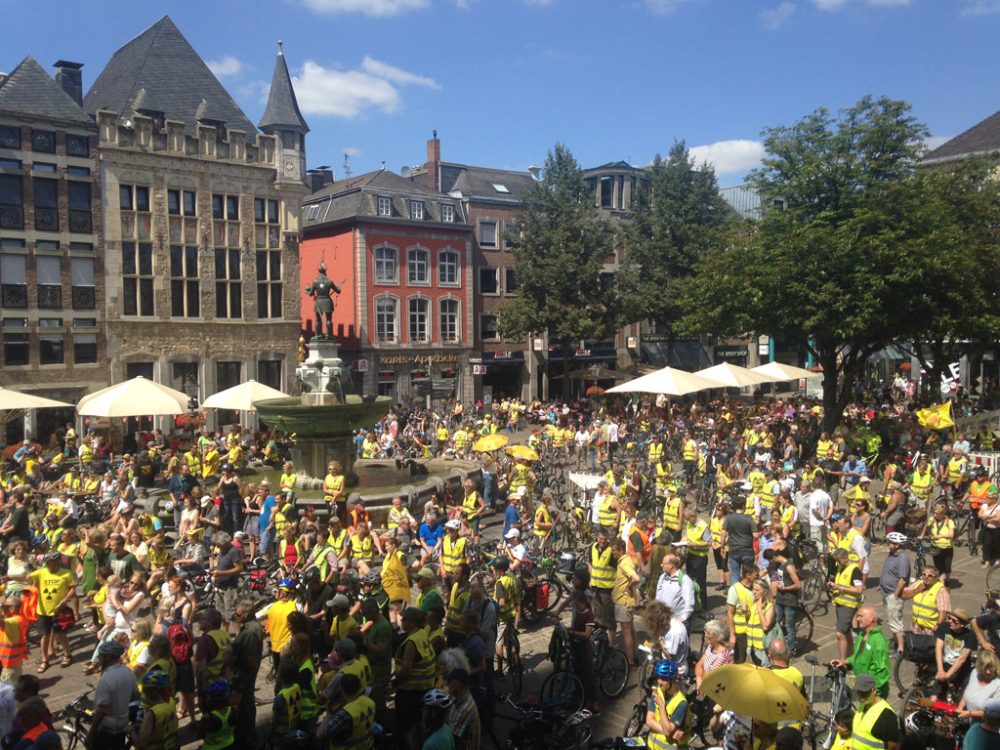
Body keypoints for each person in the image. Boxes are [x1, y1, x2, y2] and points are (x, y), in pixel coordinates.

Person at [86, 640, 139, 750]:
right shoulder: (128, 672)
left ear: (107, 658)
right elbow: (134, 695)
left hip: (106, 729)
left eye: (101, 656)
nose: (99, 658)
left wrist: (91, 733)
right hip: (122, 725)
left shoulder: (105, 680)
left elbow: (102, 710)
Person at [835, 605, 891, 698]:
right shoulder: (862, 635)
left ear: (871, 618)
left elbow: (883, 672)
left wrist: (871, 690)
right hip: (863, 687)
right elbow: (858, 656)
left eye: (861, 616)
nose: (857, 619)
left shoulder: (878, 641)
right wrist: (844, 661)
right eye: (857, 616)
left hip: (873, 692)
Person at [645, 659, 691, 750]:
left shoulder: (681, 703)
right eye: (658, 677)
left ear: (673, 680)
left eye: (663, 679)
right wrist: (669, 732)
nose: (659, 682)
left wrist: (661, 706)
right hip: (651, 746)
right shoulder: (658, 692)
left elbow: (667, 731)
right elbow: (649, 720)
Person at [828, 548, 863, 663]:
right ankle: (851, 658)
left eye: (839, 560)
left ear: (845, 558)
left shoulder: (855, 570)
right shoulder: (840, 567)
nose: (837, 563)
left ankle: (842, 660)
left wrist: (839, 587)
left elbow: (859, 590)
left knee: (840, 633)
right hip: (840, 604)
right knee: (846, 633)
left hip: (848, 605)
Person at [879, 532, 911, 653]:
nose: (888, 544)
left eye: (890, 542)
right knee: (891, 620)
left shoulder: (902, 558)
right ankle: (895, 643)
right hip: (886, 593)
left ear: (897, 545)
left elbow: (902, 580)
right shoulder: (893, 554)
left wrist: (896, 594)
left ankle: (901, 649)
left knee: (896, 623)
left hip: (893, 594)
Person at [936, 608, 977, 700]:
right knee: (936, 694)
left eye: (954, 621)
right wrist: (940, 670)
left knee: (958, 696)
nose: (950, 621)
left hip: (960, 668)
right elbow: (939, 648)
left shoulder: (970, 636)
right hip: (944, 664)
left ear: (962, 624)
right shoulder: (944, 627)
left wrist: (947, 675)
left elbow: (961, 659)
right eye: (949, 618)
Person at [851, 672, 899, 750]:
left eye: (865, 693)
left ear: (874, 691)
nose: (861, 698)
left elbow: (893, 745)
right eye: (859, 693)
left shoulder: (887, 714)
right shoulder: (863, 706)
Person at [612, 538, 639, 665]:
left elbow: (635, 578)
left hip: (623, 602)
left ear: (621, 550)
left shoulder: (624, 563)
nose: (612, 553)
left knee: (626, 632)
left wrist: (627, 587)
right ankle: (633, 655)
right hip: (626, 601)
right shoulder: (627, 560)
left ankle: (630, 661)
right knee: (631, 630)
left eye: (614, 551)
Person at [721, 497, 758, 585]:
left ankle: (735, 594)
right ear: (743, 506)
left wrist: (722, 546)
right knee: (747, 574)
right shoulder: (749, 519)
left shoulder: (729, 518)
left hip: (734, 550)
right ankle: (747, 592)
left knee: (734, 574)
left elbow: (723, 534)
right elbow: (755, 535)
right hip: (747, 550)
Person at [726, 561, 757, 664]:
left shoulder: (756, 589)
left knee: (759, 662)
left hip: (754, 632)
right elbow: (730, 613)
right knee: (739, 662)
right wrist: (732, 635)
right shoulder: (734, 590)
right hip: (740, 634)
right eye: (755, 576)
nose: (758, 578)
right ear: (748, 575)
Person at [958, 650, 1000, 722]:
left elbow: (994, 713)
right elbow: (967, 691)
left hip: (987, 725)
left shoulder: (998, 684)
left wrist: (970, 714)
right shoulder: (975, 673)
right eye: (985, 668)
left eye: (991, 668)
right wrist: (960, 708)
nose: (988, 672)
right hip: (969, 720)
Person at [446, 668, 481, 750]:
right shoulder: (458, 698)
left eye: (450, 683)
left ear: (458, 685)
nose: (448, 685)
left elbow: (452, 738)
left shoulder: (466, 709)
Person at [694, 619, 733, 692]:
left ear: (717, 637)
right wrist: (699, 678)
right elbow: (699, 664)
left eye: (709, 633)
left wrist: (700, 678)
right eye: (706, 632)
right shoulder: (710, 646)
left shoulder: (722, 655)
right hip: (704, 684)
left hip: (714, 690)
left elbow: (708, 676)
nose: (706, 635)